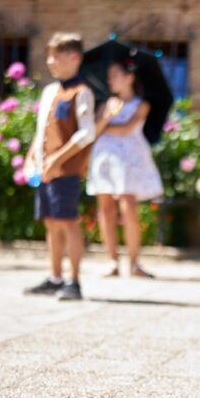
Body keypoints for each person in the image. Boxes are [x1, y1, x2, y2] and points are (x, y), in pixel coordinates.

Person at [23, 33, 95, 300]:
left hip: (65, 171)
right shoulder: (49, 91)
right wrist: (32, 157)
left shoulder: (82, 93)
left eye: (56, 56)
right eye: (48, 55)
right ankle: (55, 277)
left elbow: (86, 133)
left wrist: (58, 158)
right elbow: (41, 129)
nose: (50, 61)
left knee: (68, 222)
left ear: (73, 57)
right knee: (51, 222)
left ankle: (73, 281)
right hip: (44, 171)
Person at [87, 59, 163, 278]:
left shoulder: (141, 104)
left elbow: (127, 128)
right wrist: (107, 116)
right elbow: (93, 131)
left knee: (129, 207)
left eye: (115, 75)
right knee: (106, 209)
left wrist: (106, 125)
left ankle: (134, 263)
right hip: (105, 158)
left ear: (129, 77)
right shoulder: (106, 104)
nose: (111, 80)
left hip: (129, 159)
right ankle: (112, 261)